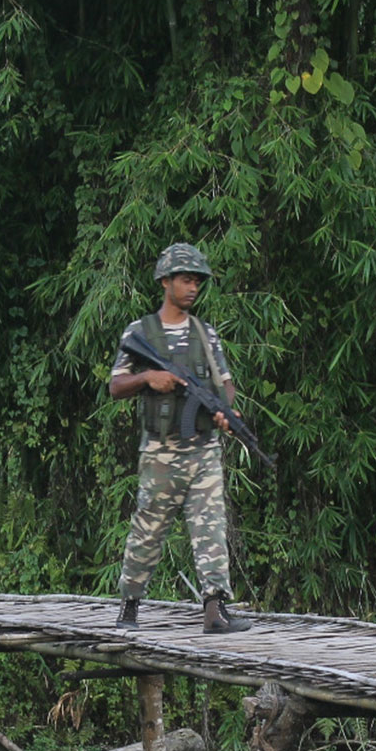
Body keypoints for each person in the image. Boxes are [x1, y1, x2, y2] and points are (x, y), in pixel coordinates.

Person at [109, 242, 253, 634]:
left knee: (211, 528)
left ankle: (215, 611)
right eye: (186, 280)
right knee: (148, 530)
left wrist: (226, 411)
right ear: (165, 281)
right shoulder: (141, 332)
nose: (193, 288)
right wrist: (147, 378)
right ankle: (129, 607)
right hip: (160, 452)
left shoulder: (205, 333)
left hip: (203, 449)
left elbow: (224, 381)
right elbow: (116, 385)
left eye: (197, 282)